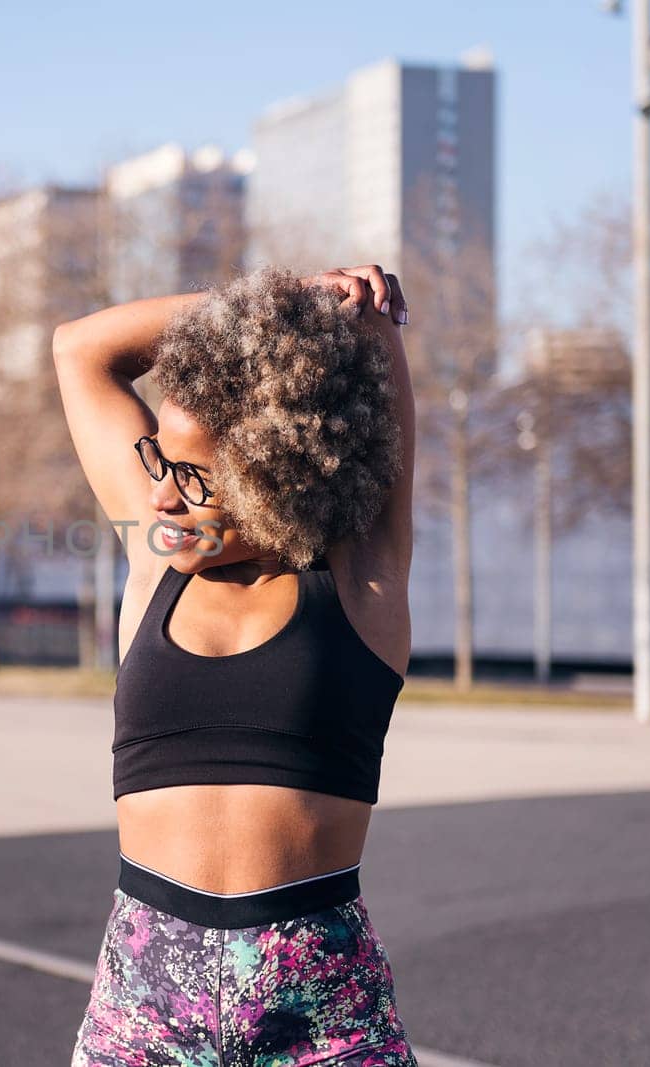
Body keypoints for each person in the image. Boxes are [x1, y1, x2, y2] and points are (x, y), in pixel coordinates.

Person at [54, 264, 417, 1066]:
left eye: (191, 478)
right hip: (143, 1011)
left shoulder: (360, 583)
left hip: (322, 1015)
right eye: (156, 467)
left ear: (273, 474)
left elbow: (376, 381)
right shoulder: (156, 565)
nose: (160, 500)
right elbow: (81, 350)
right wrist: (262, 313)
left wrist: (359, 319)